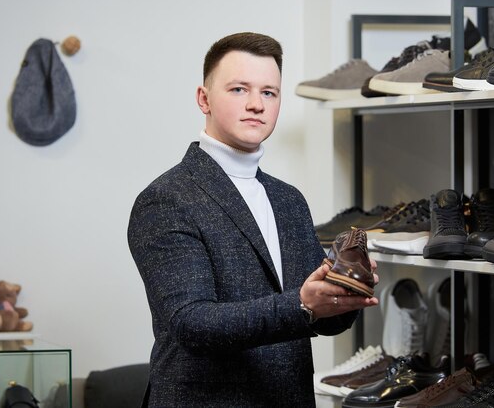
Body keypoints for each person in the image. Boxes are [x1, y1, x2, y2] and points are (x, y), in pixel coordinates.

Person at [127, 32, 379, 408]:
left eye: (268, 93)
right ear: (204, 99)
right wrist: (303, 304)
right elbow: (191, 324)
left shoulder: (289, 200)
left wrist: (342, 296)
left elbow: (320, 319)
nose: (255, 105)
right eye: (238, 89)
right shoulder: (166, 199)